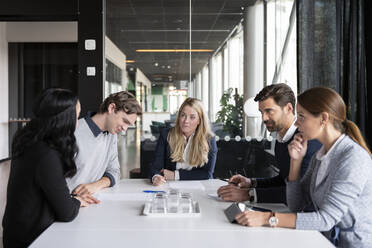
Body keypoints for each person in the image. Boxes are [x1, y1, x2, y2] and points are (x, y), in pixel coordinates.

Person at [233, 87, 372, 247]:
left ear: (323, 118)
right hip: (324, 241)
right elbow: (297, 204)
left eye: (302, 116)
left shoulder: (353, 158)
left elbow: (325, 219)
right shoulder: (321, 155)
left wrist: (267, 218)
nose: (297, 124)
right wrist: (295, 162)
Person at [2, 88, 98, 248]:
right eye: (77, 115)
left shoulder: (29, 141)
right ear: (65, 119)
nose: (77, 121)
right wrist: (77, 201)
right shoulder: (46, 154)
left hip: (18, 232)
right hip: (32, 239)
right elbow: (67, 212)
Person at [218, 83, 321, 203]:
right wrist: (252, 183)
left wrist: (249, 195)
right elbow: (284, 180)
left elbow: (303, 192)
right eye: (261, 112)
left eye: (269, 111)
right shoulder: (281, 139)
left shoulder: (307, 140)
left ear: (288, 108)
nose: (264, 118)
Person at [66, 91, 142, 196]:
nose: (125, 128)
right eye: (125, 121)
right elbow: (53, 181)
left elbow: (115, 171)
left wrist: (96, 185)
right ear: (111, 108)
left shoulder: (111, 135)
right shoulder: (74, 133)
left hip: (92, 201)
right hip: (68, 204)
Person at [150, 98, 217, 185]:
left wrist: (175, 175)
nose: (186, 121)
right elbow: (156, 167)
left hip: (200, 186)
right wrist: (156, 177)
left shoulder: (209, 139)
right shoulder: (166, 135)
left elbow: (207, 173)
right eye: (183, 115)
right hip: (171, 187)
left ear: (199, 120)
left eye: (192, 117)